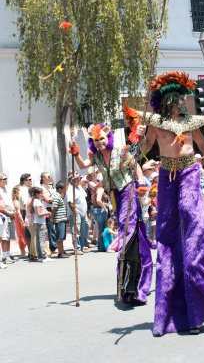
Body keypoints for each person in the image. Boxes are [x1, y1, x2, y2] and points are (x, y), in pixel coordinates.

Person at [129, 70, 204, 335]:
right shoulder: (156, 123)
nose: (182, 103)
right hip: (167, 175)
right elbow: (146, 148)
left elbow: (203, 144)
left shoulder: (191, 122)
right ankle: (176, 308)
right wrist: (136, 140)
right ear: (168, 101)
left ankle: (202, 283)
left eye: (183, 99)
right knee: (168, 235)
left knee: (191, 223)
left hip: (190, 172)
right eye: (178, 99)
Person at [70, 123, 153, 305]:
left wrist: (140, 182)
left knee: (126, 227)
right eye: (95, 140)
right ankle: (137, 273)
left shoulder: (120, 151)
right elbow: (84, 165)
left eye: (101, 139)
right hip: (114, 196)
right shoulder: (97, 157)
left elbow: (135, 165)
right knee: (129, 230)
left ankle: (127, 261)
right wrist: (75, 153)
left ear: (108, 138)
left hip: (128, 190)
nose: (99, 142)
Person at [0, 174, 19, 264]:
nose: (6, 180)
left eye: (6, 178)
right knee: (4, 237)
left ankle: (8, 254)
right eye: (4, 179)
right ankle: (4, 256)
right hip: (4, 215)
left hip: (9, 214)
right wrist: (9, 213)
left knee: (8, 236)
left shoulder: (5, 189)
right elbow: (2, 206)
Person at [31, 187, 53, 262]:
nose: (42, 194)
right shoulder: (38, 202)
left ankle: (40, 256)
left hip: (36, 222)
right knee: (41, 239)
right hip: (40, 222)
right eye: (40, 193)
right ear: (36, 194)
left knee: (38, 239)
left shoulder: (35, 201)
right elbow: (39, 214)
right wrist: (48, 213)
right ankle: (43, 256)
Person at [51, 181, 70, 258]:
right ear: (59, 189)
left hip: (62, 219)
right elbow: (54, 207)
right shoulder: (56, 196)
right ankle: (60, 252)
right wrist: (52, 218)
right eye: (64, 188)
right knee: (60, 237)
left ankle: (62, 251)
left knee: (62, 236)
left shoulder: (59, 196)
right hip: (59, 219)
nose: (65, 190)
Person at [40, 172, 57, 254]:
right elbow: (47, 199)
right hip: (47, 209)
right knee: (51, 228)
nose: (50, 178)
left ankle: (53, 246)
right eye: (48, 176)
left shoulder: (48, 187)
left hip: (51, 208)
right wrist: (54, 197)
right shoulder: (42, 188)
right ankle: (53, 247)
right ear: (43, 178)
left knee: (52, 227)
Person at [11, 184, 27, 256]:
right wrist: (22, 221)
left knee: (21, 234)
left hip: (18, 218)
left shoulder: (15, 200)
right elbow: (18, 213)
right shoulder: (16, 201)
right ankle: (23, 251)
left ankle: (23, 251)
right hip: (19, 218)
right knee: (21, 234)